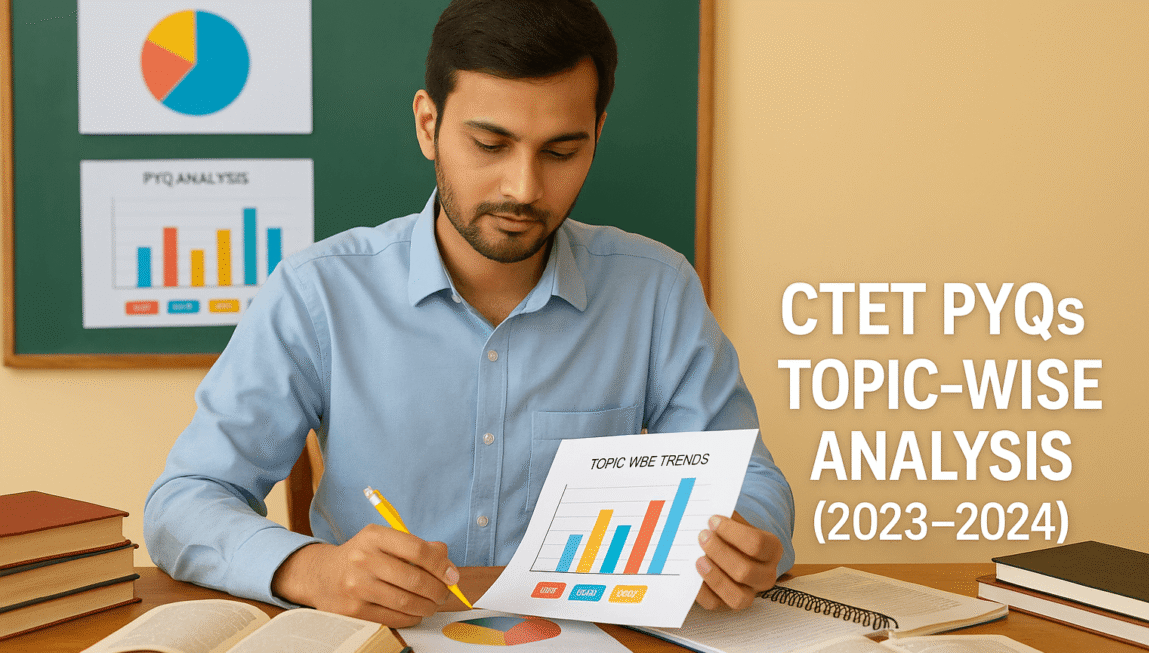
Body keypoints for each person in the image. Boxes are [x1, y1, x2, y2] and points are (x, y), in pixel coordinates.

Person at [144, 0, 795, 628]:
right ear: (428, 124)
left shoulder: (656, 289)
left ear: (598, 134)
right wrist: (317, 570)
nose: (524, 187)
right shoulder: (318, 292)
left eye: (562, 152)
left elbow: (751, 479)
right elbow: (185, 501)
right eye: (490, 143)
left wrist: (749, 536)